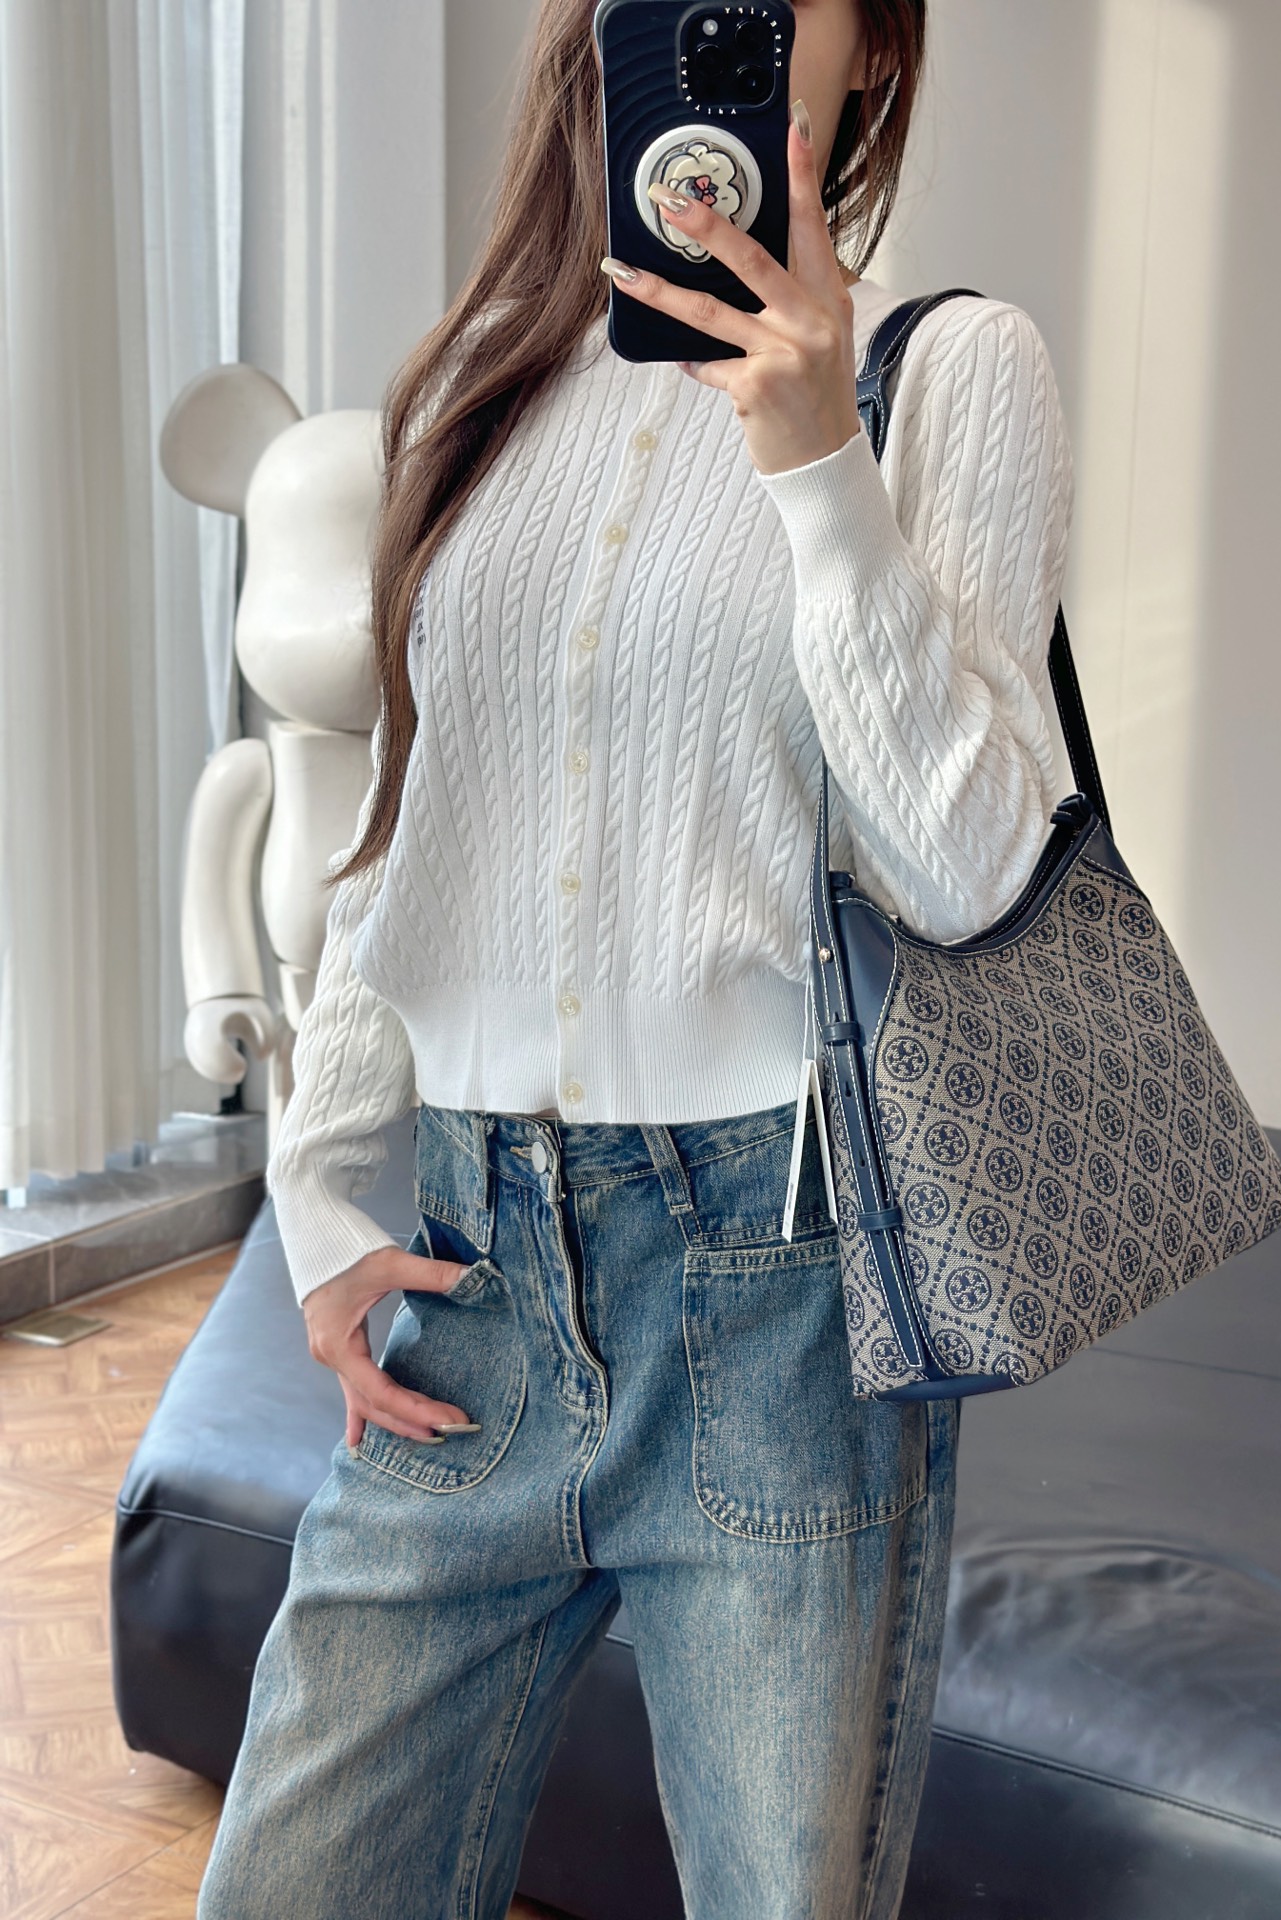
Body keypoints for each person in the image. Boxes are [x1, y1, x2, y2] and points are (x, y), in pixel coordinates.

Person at [197, 2, 1073, 1915]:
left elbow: (972, 871)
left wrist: (819, 470)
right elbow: (412, 829)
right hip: (477, 1285)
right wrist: (321, 1185)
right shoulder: (488, 376)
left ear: (873, 53)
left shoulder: (953, 371)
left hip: (786, 1298)